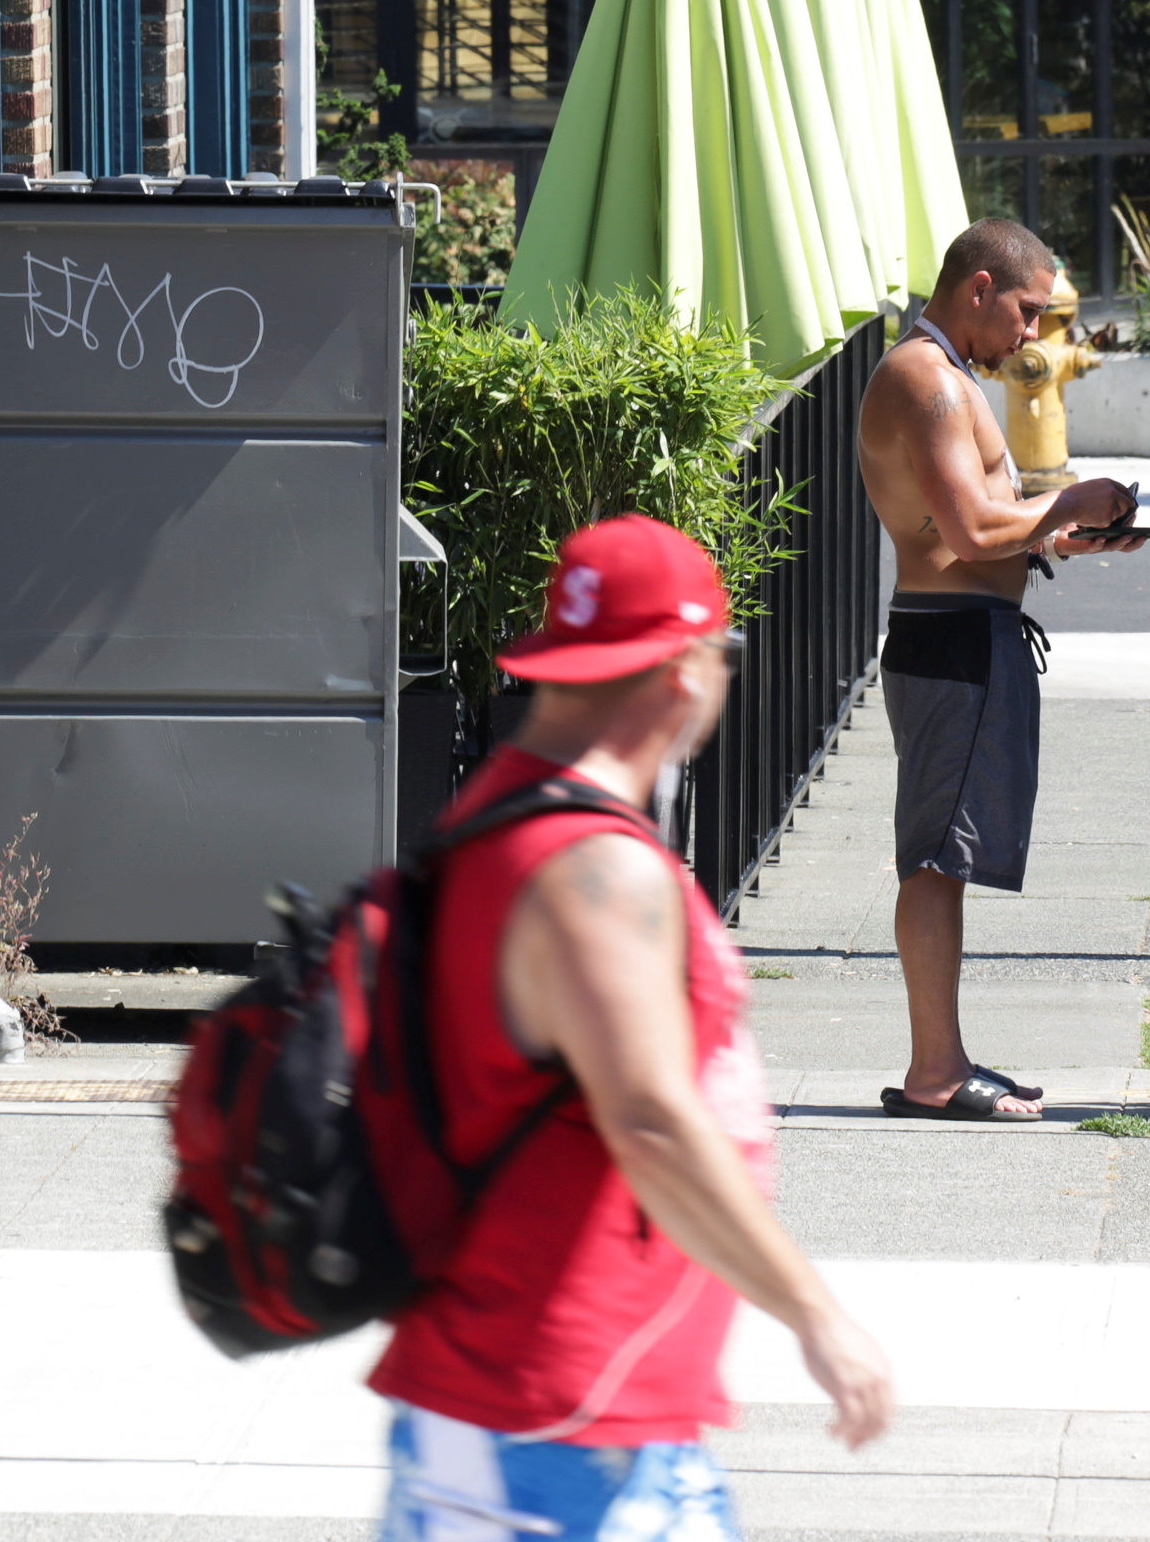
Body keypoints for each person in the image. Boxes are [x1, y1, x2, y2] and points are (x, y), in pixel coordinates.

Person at [373, 516, 897, 1540]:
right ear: (685, 670)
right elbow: (650, 1119)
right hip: (564, 1420)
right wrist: (814, 1315)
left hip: (522, 1405)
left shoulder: (493, 820)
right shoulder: (596, 872)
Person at [855, 218, 1149, 1123]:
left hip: (958, 636)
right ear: (978, 288)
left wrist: (1063, 533)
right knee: (935, 863)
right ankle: (934, 1074)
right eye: (1024, 311)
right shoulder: (927, 380)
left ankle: (945, 1060)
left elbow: (981, 523)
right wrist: (1067, 501)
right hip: (953, 643)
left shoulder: (939, 376)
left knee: (940, 860)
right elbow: (978, 532)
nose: (1030, 334)